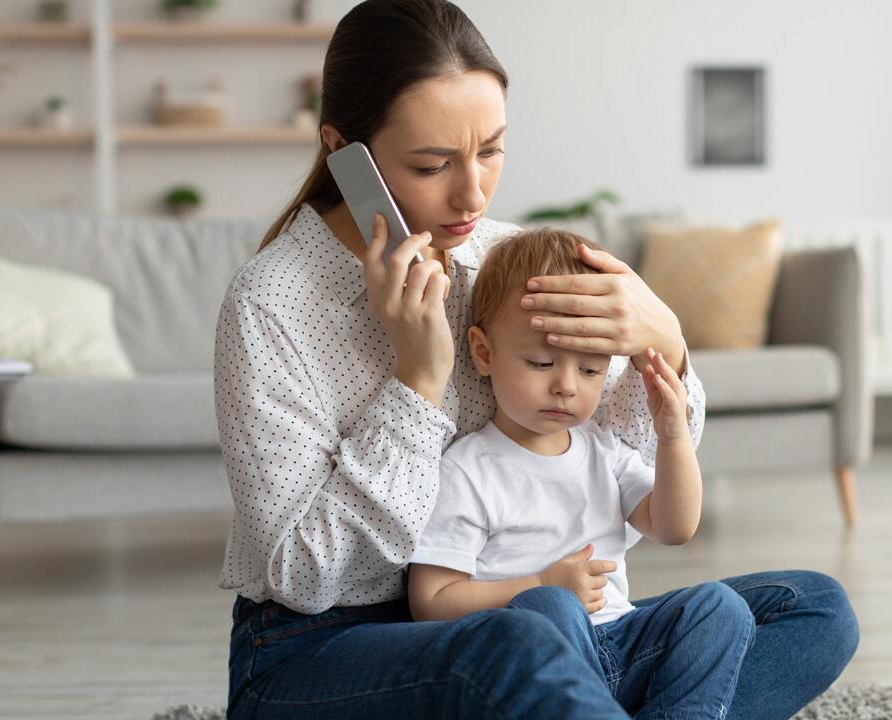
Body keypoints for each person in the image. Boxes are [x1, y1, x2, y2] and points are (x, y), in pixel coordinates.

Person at [214, 0, 859, 717]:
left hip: (540, 621)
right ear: (344, 153)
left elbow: (623, 460)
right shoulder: (270, 304)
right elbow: (305, 577)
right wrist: (418, 381)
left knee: (811, 609)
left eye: (490, 150)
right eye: (433, 165)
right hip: (322, 650)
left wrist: (665, 343)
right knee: (519, 646)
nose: (474, 194)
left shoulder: (508, 260)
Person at [408, 229, 754, 718]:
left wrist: (674, 438)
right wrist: (539, 584)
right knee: (552, 609)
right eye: (541, 362)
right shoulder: (467, 469)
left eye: (591, 371)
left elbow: (675, 527)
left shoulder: (603, 449)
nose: (566, 387)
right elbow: (431, 600)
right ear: (484, 354)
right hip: (536, 655)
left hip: (622, 638)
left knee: (720, 606)